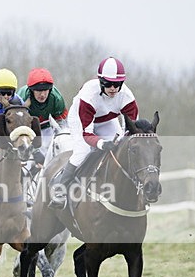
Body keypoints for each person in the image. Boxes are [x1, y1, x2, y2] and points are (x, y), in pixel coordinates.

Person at [49, 57, 138, 208]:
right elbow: (87, 134)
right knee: (83, 151)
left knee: (121, 149)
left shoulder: (127, 97)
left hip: (107, 120)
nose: (113, 88)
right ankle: (60, 190)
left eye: (117, 84)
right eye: (108, 84)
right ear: (101, 82)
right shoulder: (89, 95)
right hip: (80, 120)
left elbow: (131, 130)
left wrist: (122, 141)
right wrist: (102, 144)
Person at [17, 67, 68, 164]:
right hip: (28, 129)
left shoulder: (57, 99)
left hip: (47, 128)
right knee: (27, 160)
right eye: (38, 90)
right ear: (31, 90)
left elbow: (61, 127)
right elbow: (20, 129)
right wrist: (35, 151)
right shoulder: (22, 98)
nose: (42, 94)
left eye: (45, 90)